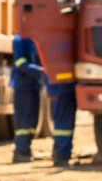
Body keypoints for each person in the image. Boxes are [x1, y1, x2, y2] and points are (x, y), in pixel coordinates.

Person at [9, 35, 44, 163]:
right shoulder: (18, 40)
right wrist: (41, 71)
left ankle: (26, 149)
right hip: (22, 86)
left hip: (33, 84)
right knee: (24, 120)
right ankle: (20, 151)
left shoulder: (34, 39)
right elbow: (19, 63)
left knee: (31, 121)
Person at [47, 81, 77, 168]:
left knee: (64, 125)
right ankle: (61, 156)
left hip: (64, 88)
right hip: (61, 89)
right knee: (63, 126)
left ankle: (60, 154)